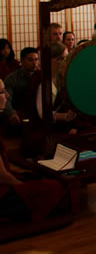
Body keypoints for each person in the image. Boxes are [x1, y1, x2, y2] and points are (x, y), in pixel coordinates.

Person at [0, 78, 66, 223]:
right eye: (2, 92)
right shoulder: (42, 83)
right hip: (2, 192)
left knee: (38, 179)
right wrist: (24, 187)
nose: (7, 95)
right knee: (53, 187)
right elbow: (3, 176)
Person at [3, 47, 40, 128]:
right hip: (19, 112)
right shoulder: (12, 78)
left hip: (38, 113)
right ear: (22, 61)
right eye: (30, 60)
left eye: (36, 59)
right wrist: (11, 113)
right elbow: (6, 99)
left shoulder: (41, 76)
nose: (34, 63)